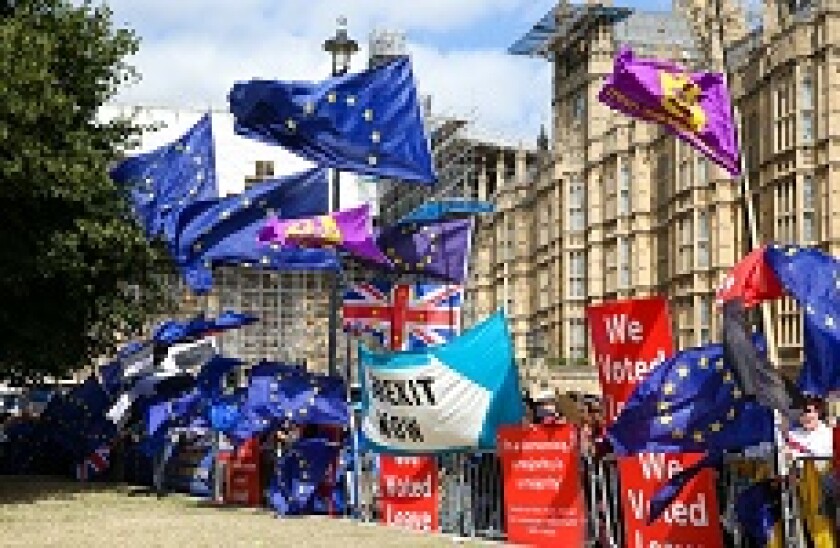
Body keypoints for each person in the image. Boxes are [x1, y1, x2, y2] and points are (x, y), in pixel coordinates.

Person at [786, 397, 835, 548]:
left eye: (808, 411)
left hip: (827, 488)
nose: (805, 416)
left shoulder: (829, 434)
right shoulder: (792, 435)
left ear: (818, 412)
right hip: (801, 492)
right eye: (800, 413)